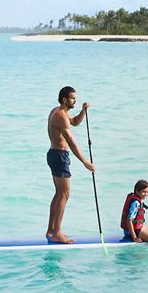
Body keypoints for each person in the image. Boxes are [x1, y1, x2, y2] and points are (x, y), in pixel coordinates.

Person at [46, 85, 96, 244]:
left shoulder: (59, 112)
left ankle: (50, 231)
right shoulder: (60, 115)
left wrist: (83, 111)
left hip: (55, 155)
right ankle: (57, 233)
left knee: (59, 194)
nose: (75, 100)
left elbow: (74, 122)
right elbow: (72, 142)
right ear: (64, 99)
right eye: (72, 98)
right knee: (65, 194)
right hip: (59, 156)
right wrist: (85, 162)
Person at [119, 179, 148, 245]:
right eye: (143, 192)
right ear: (137, 191)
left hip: (132, 229)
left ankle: (143, 237)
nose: (146, 194)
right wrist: (135, 238)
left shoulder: (136, 199)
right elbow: (129, 221)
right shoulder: (135, 203)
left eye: (147, 192)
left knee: (145, 227)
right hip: (131, 231)